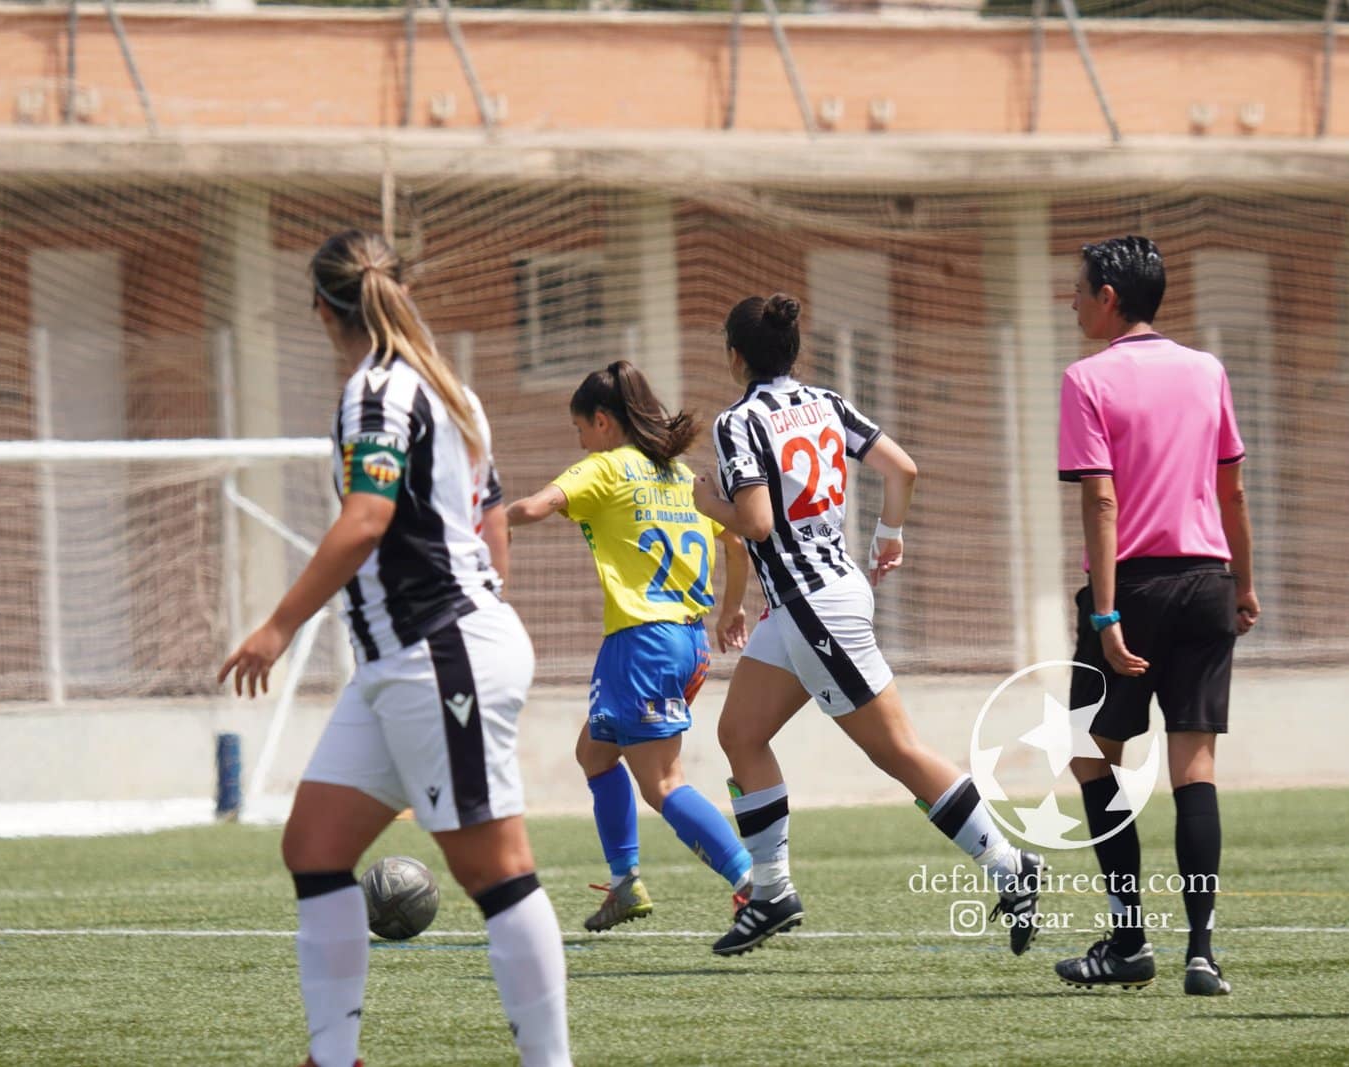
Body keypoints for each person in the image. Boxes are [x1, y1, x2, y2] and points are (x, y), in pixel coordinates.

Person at [217, 230, 570, 1067]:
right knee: (315, 846)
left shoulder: (375, 390)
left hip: (436, 653)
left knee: (495, 868)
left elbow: (367, 518)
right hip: (410, 659)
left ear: (320, 307)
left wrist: (277, 625)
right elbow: (489, 521)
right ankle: (334, 1057)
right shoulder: (449, 390)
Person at [692, 293, 1044, 958]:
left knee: (897, 750)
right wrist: (889, 532)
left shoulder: (738, 421)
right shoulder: (826, 401)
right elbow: (902, 468)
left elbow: (757, 524)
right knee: (740, 733)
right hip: (806, 603)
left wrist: (709, 504)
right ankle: (772, 893)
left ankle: (1009, 865)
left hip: (814, 605)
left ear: (735, 357)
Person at [1053, 235, 1259, 998]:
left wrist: (1106, 615)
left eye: (1078, 289)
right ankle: (1202, 953)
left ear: (1109, 296)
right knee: (1194, 768)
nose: (1071, 300)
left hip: (1132, 590)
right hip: (1207, 582)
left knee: (1091, 756)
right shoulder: (1207, 370)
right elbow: (1233, 489)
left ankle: (1130, 939)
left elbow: (1101, 501)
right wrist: (1244, 582)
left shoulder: (1086, 378)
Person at [505, 360, 756, 930]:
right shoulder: (681, 475)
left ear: (602, 421)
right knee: (595, 754)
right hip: (687, 642)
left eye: (580, 429)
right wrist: (732, 609)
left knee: (663, 782)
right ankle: (625, 884)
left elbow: (533, 507)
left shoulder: (607, 467)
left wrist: (483, 522)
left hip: (642, 642)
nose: (580, 442)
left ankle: (754, 882)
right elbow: (737, 544)